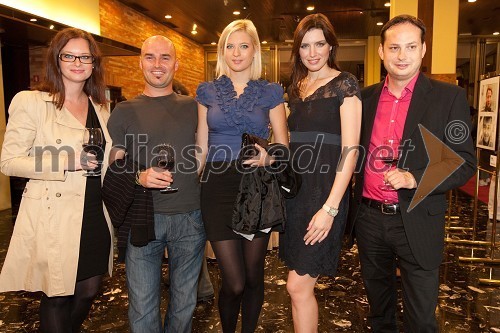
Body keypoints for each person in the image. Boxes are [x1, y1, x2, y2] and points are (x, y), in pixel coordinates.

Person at [351, 15, 476, 332]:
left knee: (421, 320)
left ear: (423, 50)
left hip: (418, 218)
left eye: (410, 47)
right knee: (379, 316)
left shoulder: (449, 98)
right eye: (394, 47)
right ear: (381, 52)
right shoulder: (362, 99)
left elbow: (463, 160)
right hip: (369, 219)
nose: (401, 55)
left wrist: (414, 177)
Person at [0, 27, 113, 332]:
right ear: (57, 59)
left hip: (93, 211)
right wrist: (67, 161)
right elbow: (9, 161)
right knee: (57, 296)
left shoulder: (101, 106)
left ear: (93, 63)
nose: (77, 62)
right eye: (69, 55)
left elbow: (105, 157)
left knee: (89, 290)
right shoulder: (32, 102)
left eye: (85, 56)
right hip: (54, 214)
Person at [107, 35, 206, 332]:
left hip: (190, 216)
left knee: (185, 303)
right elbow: (113, 165)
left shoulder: (195, 107)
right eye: (150, 57)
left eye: (165, 57)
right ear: (140, 63)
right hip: (143, 216)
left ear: (176, 64)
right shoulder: (124, 110)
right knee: (142, 306)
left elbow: (210, 148)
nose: (158, 64)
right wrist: (140, 176)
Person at [195, 19, 288, 332]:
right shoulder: (207, 91)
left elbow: (283, 146)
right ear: (222, 51)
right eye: (229, 46)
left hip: (255, 187)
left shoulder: (271, 91)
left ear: (254, 51)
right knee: (233, 282)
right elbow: (200, 147)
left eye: (243, 46)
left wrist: (268, 156)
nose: (236, 53)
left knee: (252, 275)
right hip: (217, 187)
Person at [278, 13, 361, 332]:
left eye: (319, 44)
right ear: (297, 50)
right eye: (305, 46)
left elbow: (350, 151)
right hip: (296, 198)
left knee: (297, 287)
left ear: (331, 46)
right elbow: (289, 144)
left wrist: (330, 208)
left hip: (326, 197)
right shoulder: (295, 88)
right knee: (298, 290)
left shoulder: (345, 84)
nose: (312, 52)